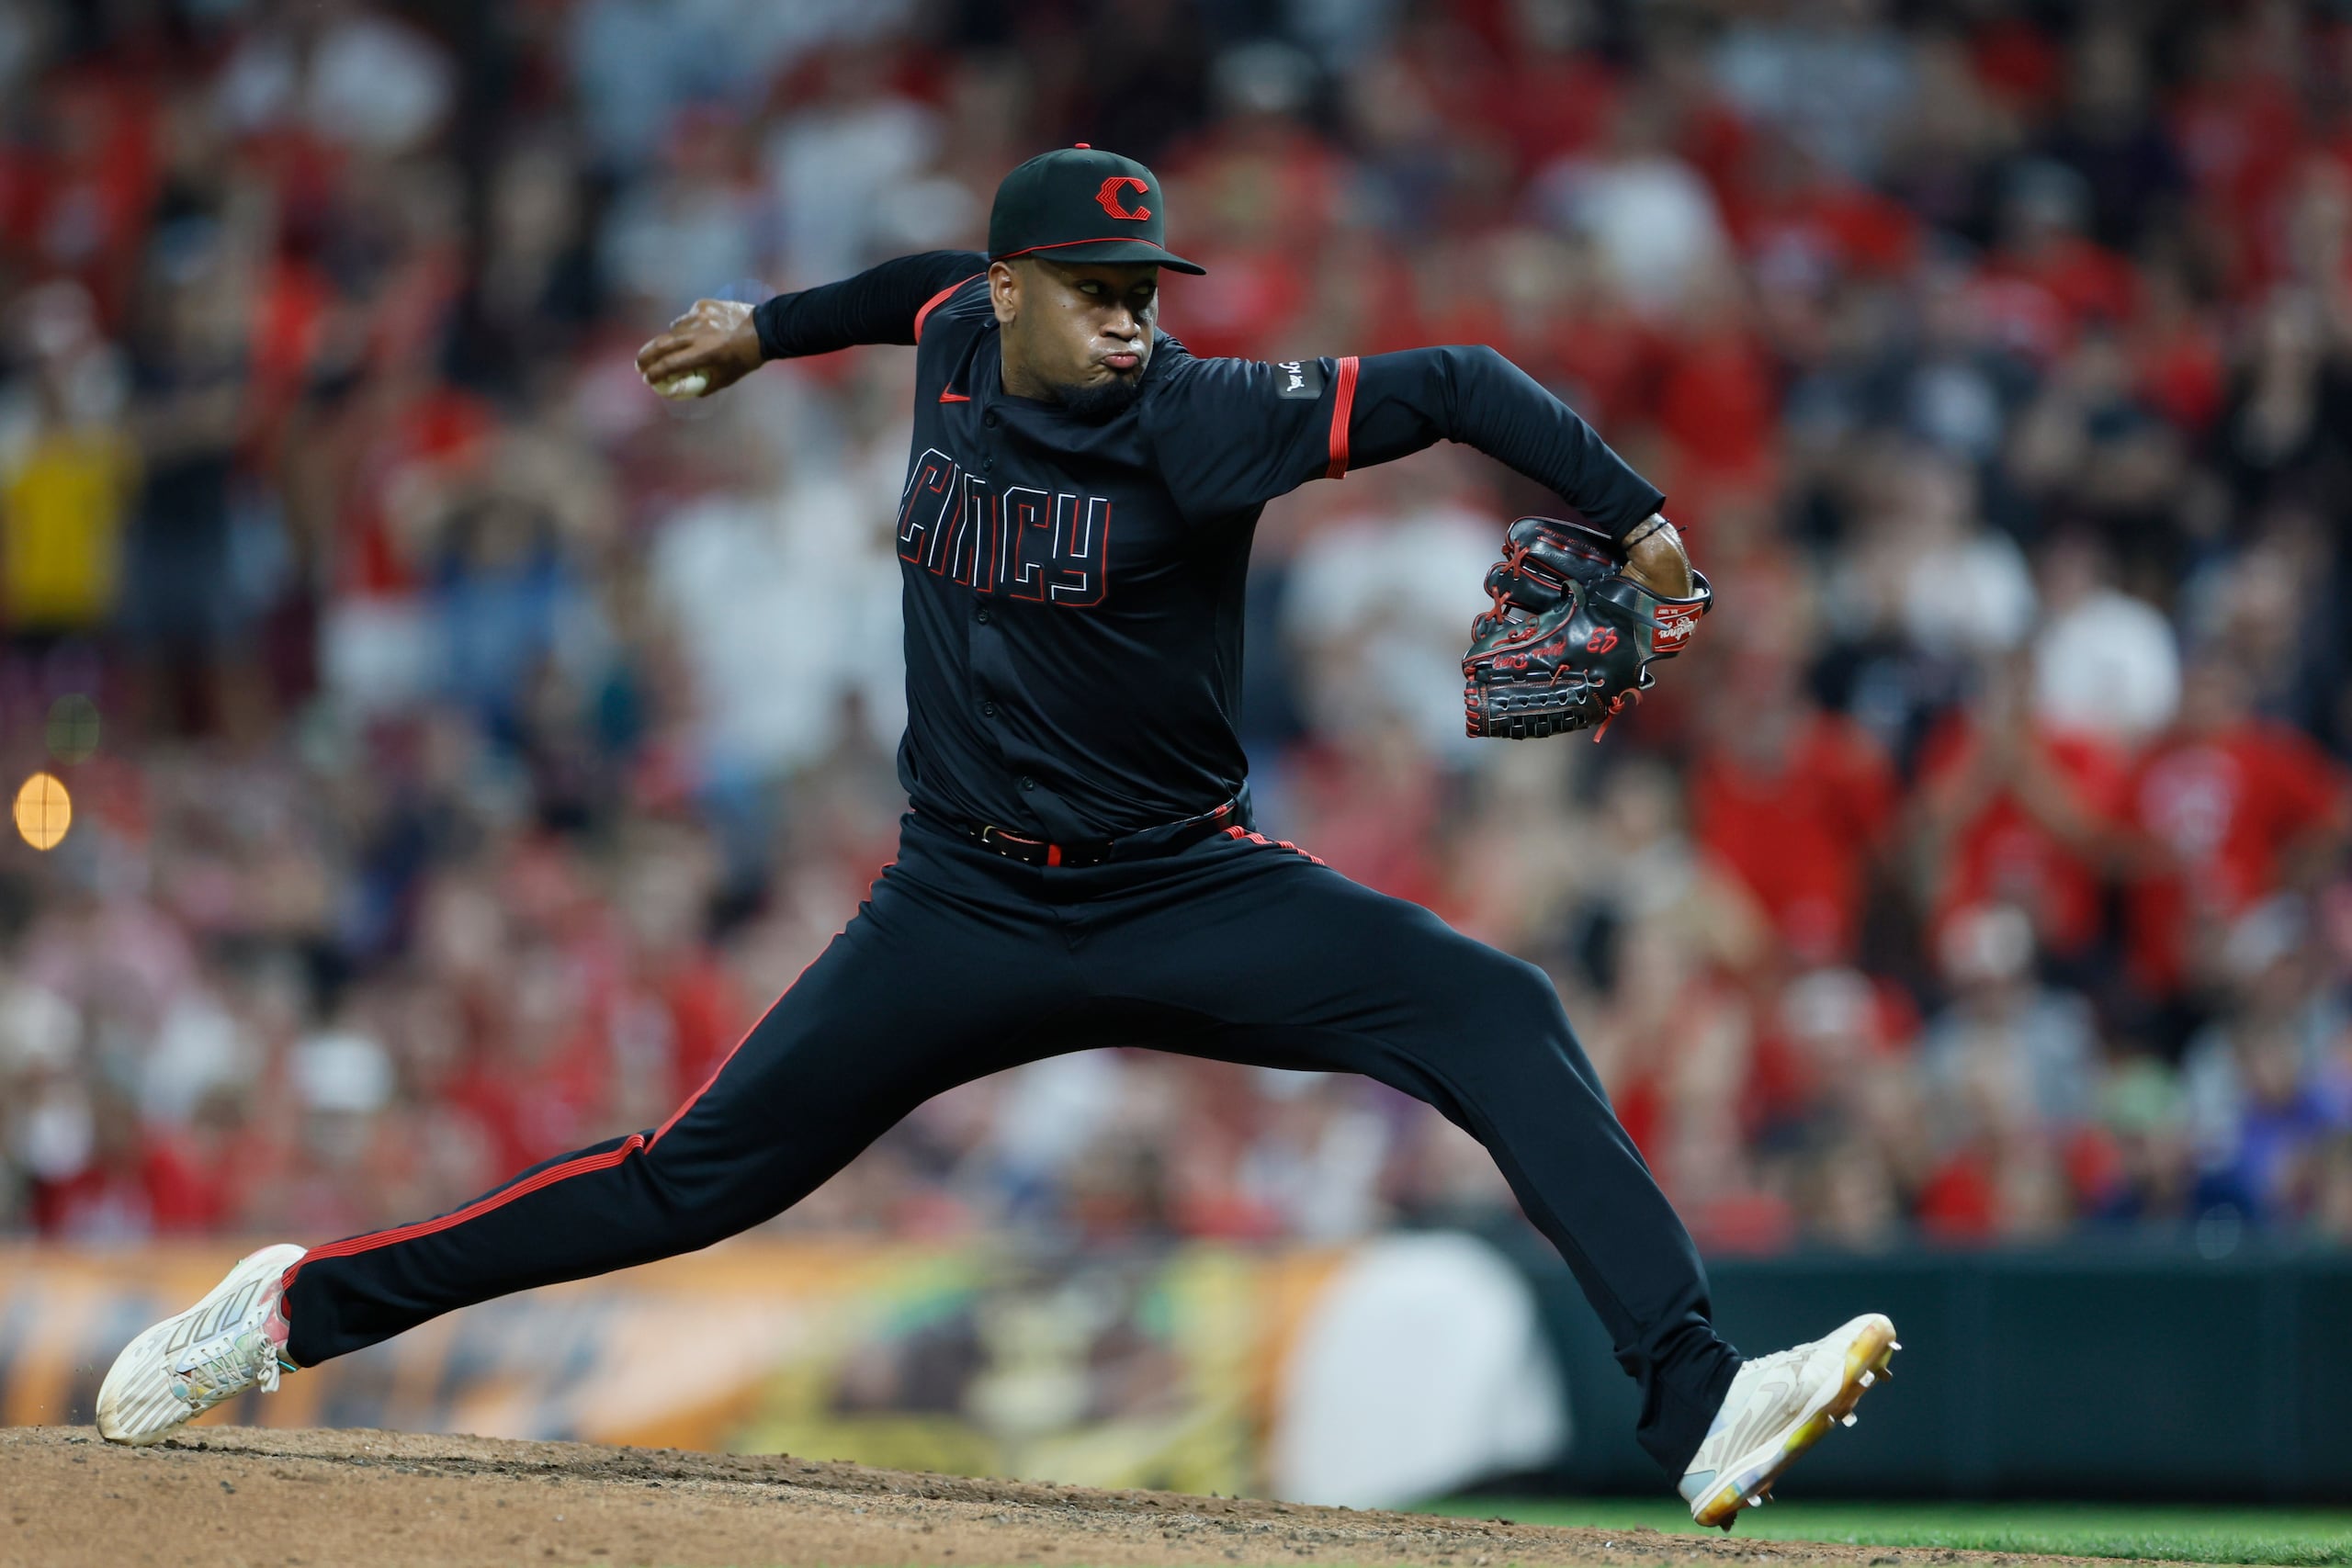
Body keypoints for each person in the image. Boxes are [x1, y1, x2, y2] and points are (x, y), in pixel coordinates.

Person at [97, 146, 1897, 1529]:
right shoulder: (960, 334)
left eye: (1148, 287)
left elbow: (1455, 379)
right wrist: (767, 326)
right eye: (1101, 288)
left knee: (1493, 1007)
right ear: (1015, 284)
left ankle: (1691, 1397)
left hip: (1179, 884)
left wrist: (1639, 519)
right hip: (953, 899)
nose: (1135, 317)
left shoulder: (1198, 418)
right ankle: (292, 1310)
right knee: (685, 1179)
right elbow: (905, 289)